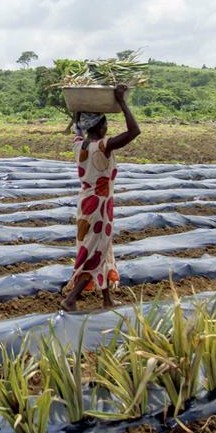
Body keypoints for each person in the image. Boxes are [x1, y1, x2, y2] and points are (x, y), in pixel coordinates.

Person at [60, 84, 140, 311]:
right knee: (95, 251)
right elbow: (134, 132)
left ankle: (106, 299)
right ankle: (71, 299)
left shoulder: (79, 145)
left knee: (101, 248)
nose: (108, 127)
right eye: (106, 123)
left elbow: (77, 126)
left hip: (87, 202)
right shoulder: (103, 147)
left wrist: (78, 106)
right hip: (99, 206)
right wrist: (122, 102)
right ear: (101, 127)